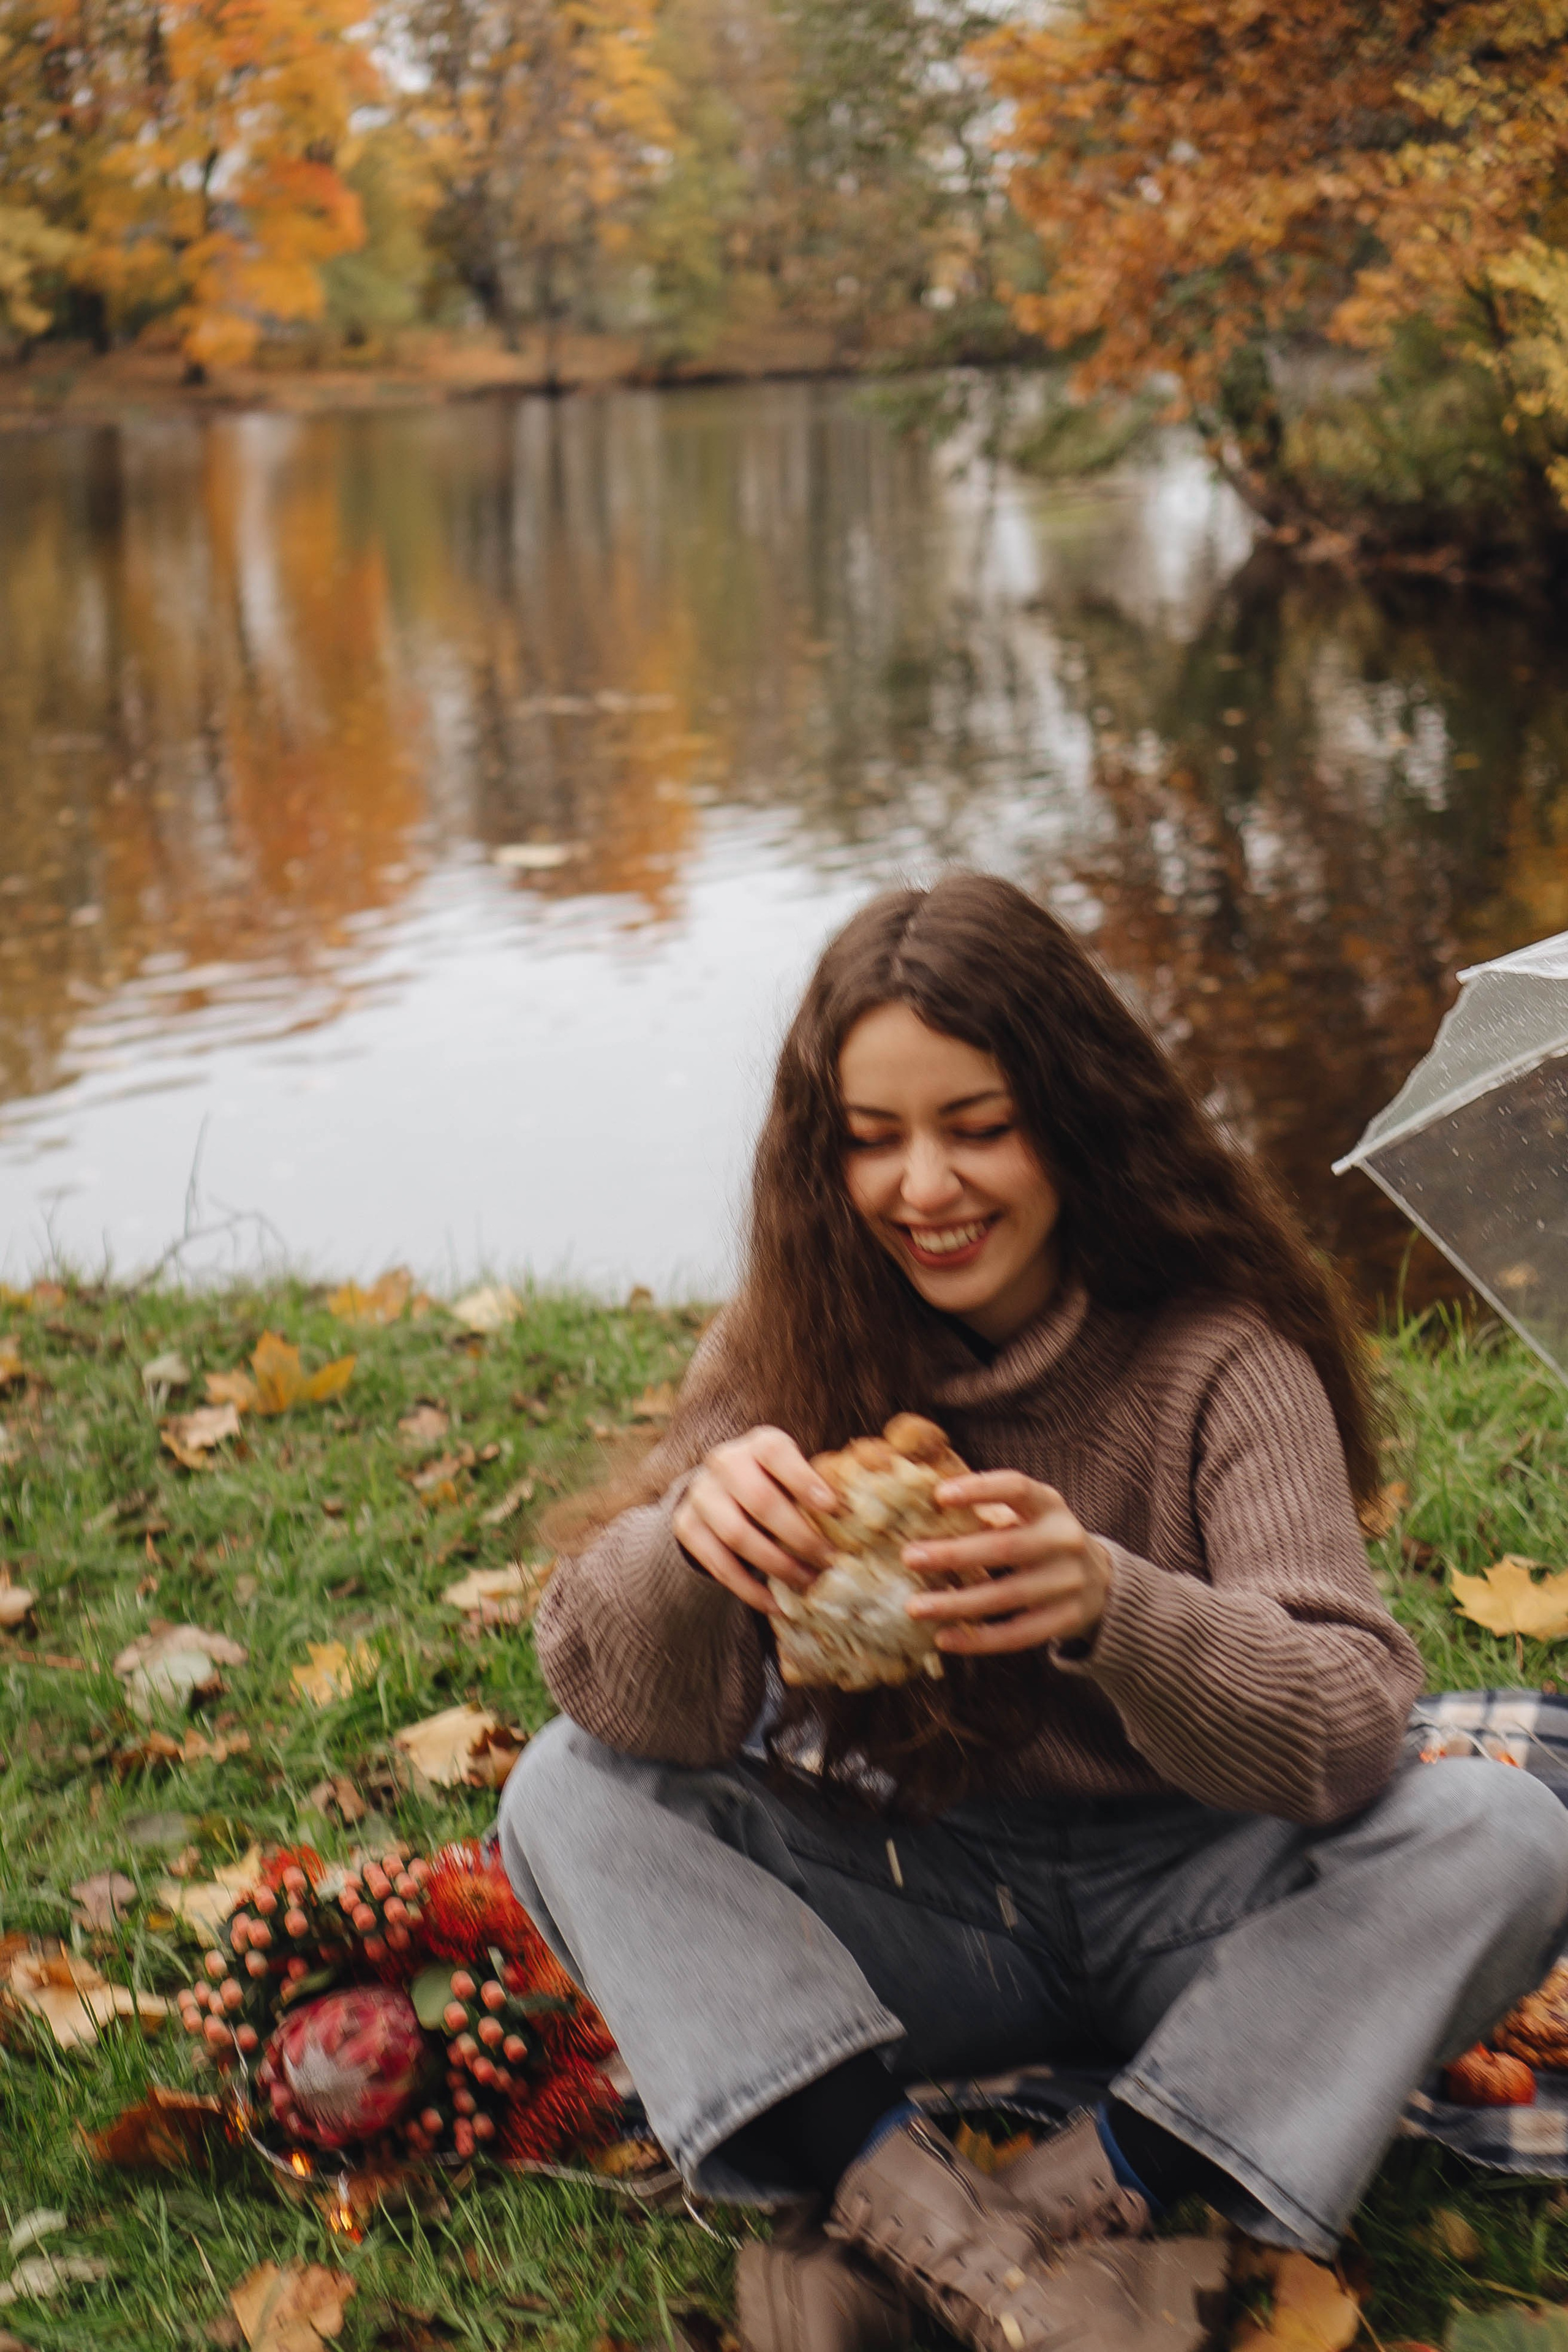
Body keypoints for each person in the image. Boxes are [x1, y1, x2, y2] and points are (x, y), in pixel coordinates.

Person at [499, 873, 1568, 2352]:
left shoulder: (1221, 1353)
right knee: (564, 1789)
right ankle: (938, 2231)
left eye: (976, 1127)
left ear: (1074, 1117)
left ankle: (1073, 2196)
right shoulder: (788, 1344)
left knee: (1505, 1831)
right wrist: (679, 1546)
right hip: (922, 1903)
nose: (921, 1188)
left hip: (1208, 1915)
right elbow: (631, 1708)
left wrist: (1115, 1608)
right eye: (872, 1141)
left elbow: (1343, 1733)